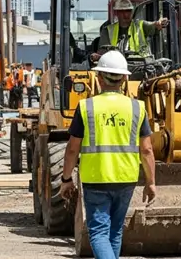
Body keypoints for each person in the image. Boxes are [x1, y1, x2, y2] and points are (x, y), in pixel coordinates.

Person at [59, 51, 157, 259]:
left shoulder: (87, 107)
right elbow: (147, 150)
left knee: (98, 233)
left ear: (98, 77)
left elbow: (72, 149)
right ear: (124, 78)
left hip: (97, 178)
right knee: (115, 231)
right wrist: (150, 182)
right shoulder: (137, 107)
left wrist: (66, 179)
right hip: (126, 179)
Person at [94, 0, 168, 61]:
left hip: (141, 67)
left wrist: (159, 23)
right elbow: (102, 52)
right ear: (116, 13)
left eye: (128, 11)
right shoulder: (107, 31)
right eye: (122, 11)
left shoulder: (141, 26)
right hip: (116, 69)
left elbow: (154, 25)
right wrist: (97, 56)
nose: (126, 15)